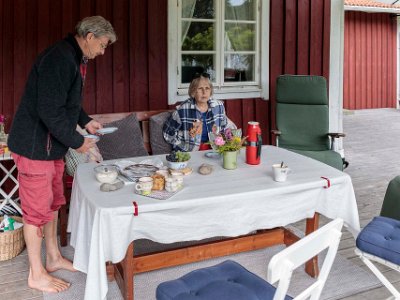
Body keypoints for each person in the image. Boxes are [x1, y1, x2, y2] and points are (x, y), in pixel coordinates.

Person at [7, 16, 117, 293]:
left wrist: (85, 120)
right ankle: (36, 273)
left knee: (54, 204)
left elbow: (67, 102)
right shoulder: (60, 58)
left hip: (50, 148)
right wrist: (78, 141)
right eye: (103, 45)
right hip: (35, 148)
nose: (103, 51)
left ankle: (54, 258)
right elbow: (49, 110)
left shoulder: (75, 57)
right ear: (89, 36)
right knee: (35, 213)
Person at [163, 73, 229, 152]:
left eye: (207, 88)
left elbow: (224, 127)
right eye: (200, 88)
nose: (204, 92)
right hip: (191, 152)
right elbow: (168, 133)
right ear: (193, 91)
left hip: (214, 150)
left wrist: (222, 143)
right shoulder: (182, 110)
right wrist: (182, 147)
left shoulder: (218, 106)